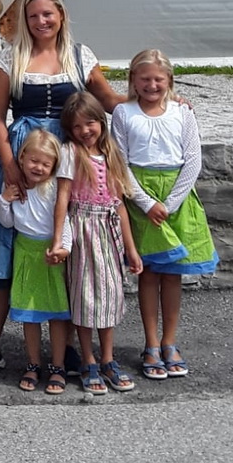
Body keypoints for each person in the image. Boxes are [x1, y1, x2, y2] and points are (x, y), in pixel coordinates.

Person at [0, 0, 125, 384]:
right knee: (5, 247)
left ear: (61, 16)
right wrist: (9, 163)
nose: (41, 21)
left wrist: (160, 105)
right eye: (34, 15)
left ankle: (65, 348)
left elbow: (107, 99)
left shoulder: (79, 55)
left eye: (48, 14)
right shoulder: (10, 57)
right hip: (24, 155)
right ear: (26, 19)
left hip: (71, 157)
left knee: (71, 247)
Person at [110, 49, 218, 379]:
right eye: (144, 79)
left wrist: (169, 204)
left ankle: (170, 341)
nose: (152, 85)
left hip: (176, 198)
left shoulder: (182, 113)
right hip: (142, 198)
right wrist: (145, 202)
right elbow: (120, 163)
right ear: (133, 80)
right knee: (149, 273)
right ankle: (151, 343)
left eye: (159, 79)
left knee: (172, 275)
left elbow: (193, 160)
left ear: (169, 80)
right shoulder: (123, 113)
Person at [52, 91, 143, 394]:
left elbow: (119, 205)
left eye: (89, 123)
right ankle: (88, 359)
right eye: (77, 127)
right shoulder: (70, 152)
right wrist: (58, 237)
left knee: (110, 295)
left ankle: (108, 358)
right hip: (82, 230)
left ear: (100, 122)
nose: (84, 131)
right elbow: (63, 195)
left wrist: (130, 249)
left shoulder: (111, 154)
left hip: (108, 231)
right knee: (85, 297)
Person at [0, 129, 72, 395]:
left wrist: (64, 248)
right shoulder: (15, 189)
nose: (38, 168)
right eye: (33, 161)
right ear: (22, 157)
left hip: (51, 254)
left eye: (45, 163)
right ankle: (33, 362)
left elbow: (66, 222)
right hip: (26, 254)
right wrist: (4, 201)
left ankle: (58, 365)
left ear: (54, 166)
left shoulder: (53, 190)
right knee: (31, 314)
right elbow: (7, 222)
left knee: (57, 313)